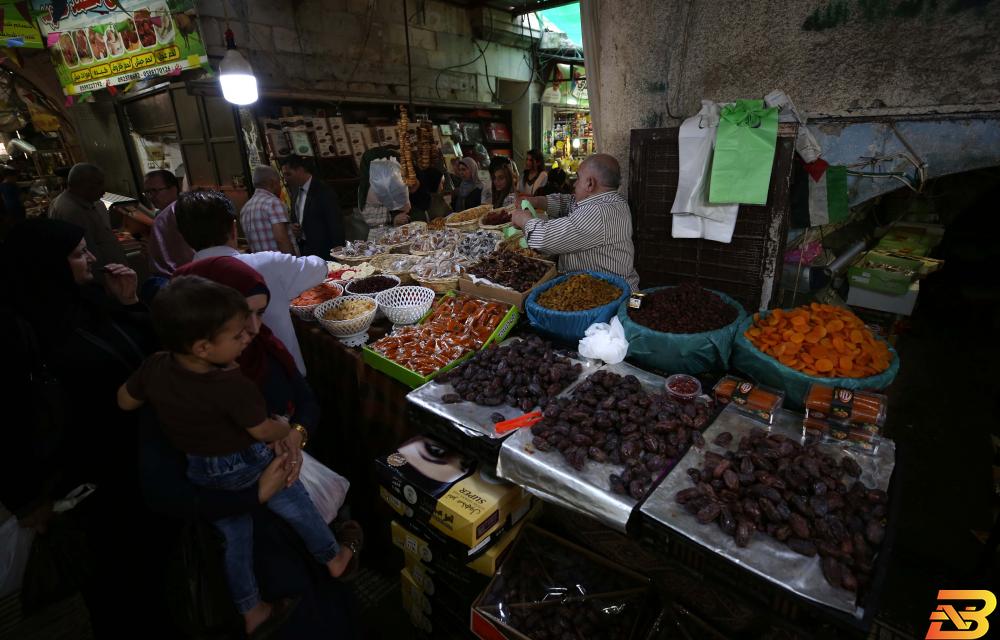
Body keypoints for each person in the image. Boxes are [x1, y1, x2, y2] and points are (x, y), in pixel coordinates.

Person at [117, 275, 359, 638]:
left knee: (235, 539)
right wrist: (285, 429)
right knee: (296, 503)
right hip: (243, 462)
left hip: (202, 469)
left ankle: (252, 610)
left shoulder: (155, 366)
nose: (249, 335)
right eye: (237, 334)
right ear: (202, 347)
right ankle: (334, 557)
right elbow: (261, 431)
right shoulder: (229, 384)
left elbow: (124, 399)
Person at [0, 218, 156, 635]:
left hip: (135, 458)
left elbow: (144, 353)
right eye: (77, 254)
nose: (90, 259)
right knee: (114, 586)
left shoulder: (89, 299)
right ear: (44, 265)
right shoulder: (16, 332)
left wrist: (130, 303)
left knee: (153, 568)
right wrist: (28, 498)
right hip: (82, 484)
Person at [174, 190, 326, 375]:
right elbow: (319, 267)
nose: (252, 328)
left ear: (183, 236)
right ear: (233, 228)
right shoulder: (266, 264)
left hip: (220, 387)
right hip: (281, 376)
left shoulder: (178, 285)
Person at [512, 154, 639, 290]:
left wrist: (523, 220)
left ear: (590, 183)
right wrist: (538, 201)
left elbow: (544, 239)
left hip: (612, 297)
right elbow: (570, 203)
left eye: (578, 178)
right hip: (591, 287)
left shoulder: (599, 212)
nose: (574, 183)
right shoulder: (610, 200)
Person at [49, 163, 126, 271]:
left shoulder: (93, 202)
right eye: (98, 184)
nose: (103, 191)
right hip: (103, 274)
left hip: (114, 270)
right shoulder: (71, 210)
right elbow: (87, 253)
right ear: (82, 186)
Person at [281, 156, 344, 259]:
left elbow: (335, 221)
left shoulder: (323, 190)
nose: (286, 179)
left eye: (288, 174)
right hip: (305, 249)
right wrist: (294, 228)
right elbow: (297, 218)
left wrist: (339, 250)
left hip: (325, 250)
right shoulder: (295, 192)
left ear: (300, 170)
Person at [144, 169, 193, 281]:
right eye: (148, 192)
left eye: (155, 191)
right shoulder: (160, 215)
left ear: (174, 189)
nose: (151, 197)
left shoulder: (185, 211)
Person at [241, 165, 296, 254]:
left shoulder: (245, 208)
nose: (280, 187)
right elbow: (281, 239)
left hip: (260, 266)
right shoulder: (273, 203)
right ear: (272, 183)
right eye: (279, 183)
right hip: (281, 265)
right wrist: (295, 263)